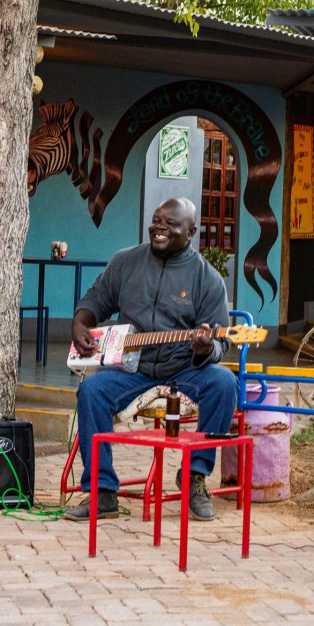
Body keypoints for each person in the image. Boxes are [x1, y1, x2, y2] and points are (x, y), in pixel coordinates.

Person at [64, 197, 238, 523]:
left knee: (225, 383)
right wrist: (79, 324)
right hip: (134, 368)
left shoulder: (207, 279)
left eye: (170, 224)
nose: (159, 228)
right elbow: (94, 301)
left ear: (191, 232)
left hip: (186, 368)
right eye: (156, 220)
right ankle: (102, 492)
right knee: (92, 392)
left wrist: (205, 350)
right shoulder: (125, 262)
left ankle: (194, 477)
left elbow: (221, 343)